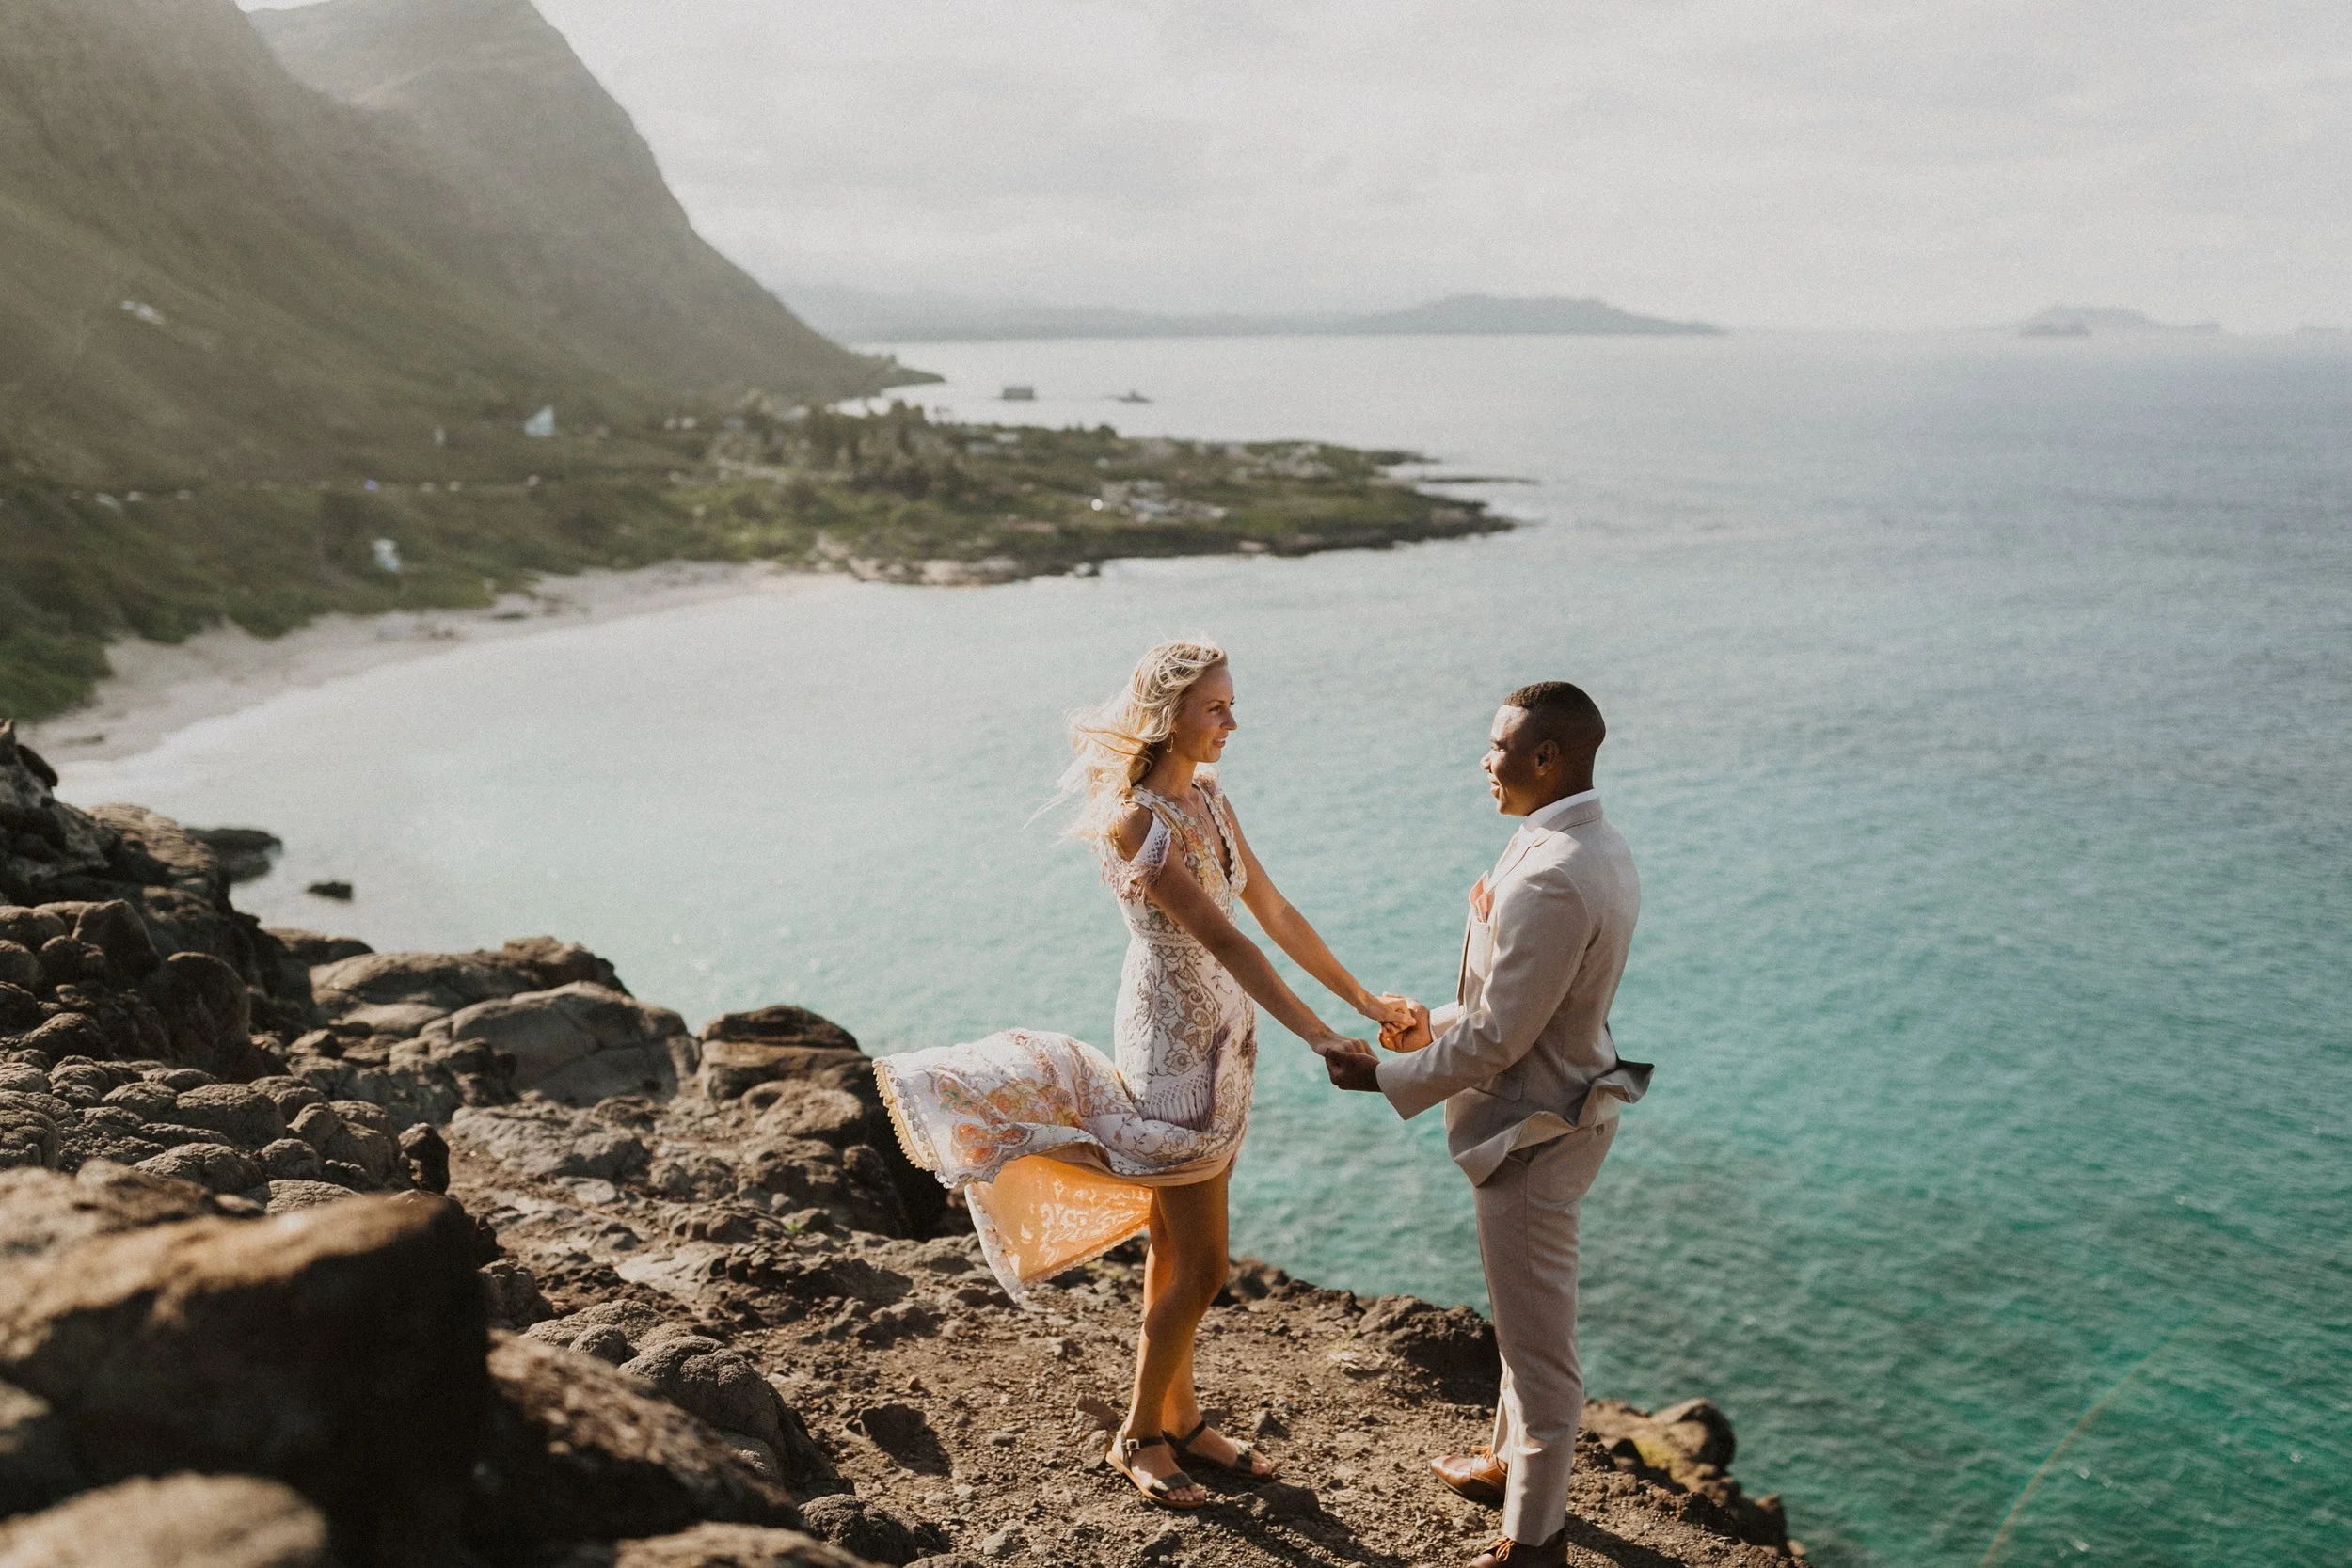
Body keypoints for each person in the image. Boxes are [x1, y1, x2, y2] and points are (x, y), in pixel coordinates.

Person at [876, 639, 1408, 1511]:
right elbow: (1226, 939)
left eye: (1231, 704)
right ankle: (1139, 1432)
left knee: (1175, 1250)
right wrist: (1320, 1037)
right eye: (1217, 707)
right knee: (1205, 1267)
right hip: (1173, 1054)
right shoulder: (1134, 819)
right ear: (1169, 718)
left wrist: (1362, 999)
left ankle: (1184, 1415)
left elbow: (1271, 909)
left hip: (1229, 1039)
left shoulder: (1208, 796)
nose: (1233, 721)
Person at [1324, 680, 1651, 1568]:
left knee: (1541, 1345)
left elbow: (1505, 1038)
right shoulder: (1587, 841)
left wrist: (1388, 1073)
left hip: (1533, 1130)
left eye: (1498, 747)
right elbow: (1517, 1006)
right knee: (1518, 1312)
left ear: (1546, 758)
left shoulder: (1552, 871)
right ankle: (1507, 1461)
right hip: (1555, 1098)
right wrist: (1433, 1020)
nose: (1484, 759)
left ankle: (1534, 1540)